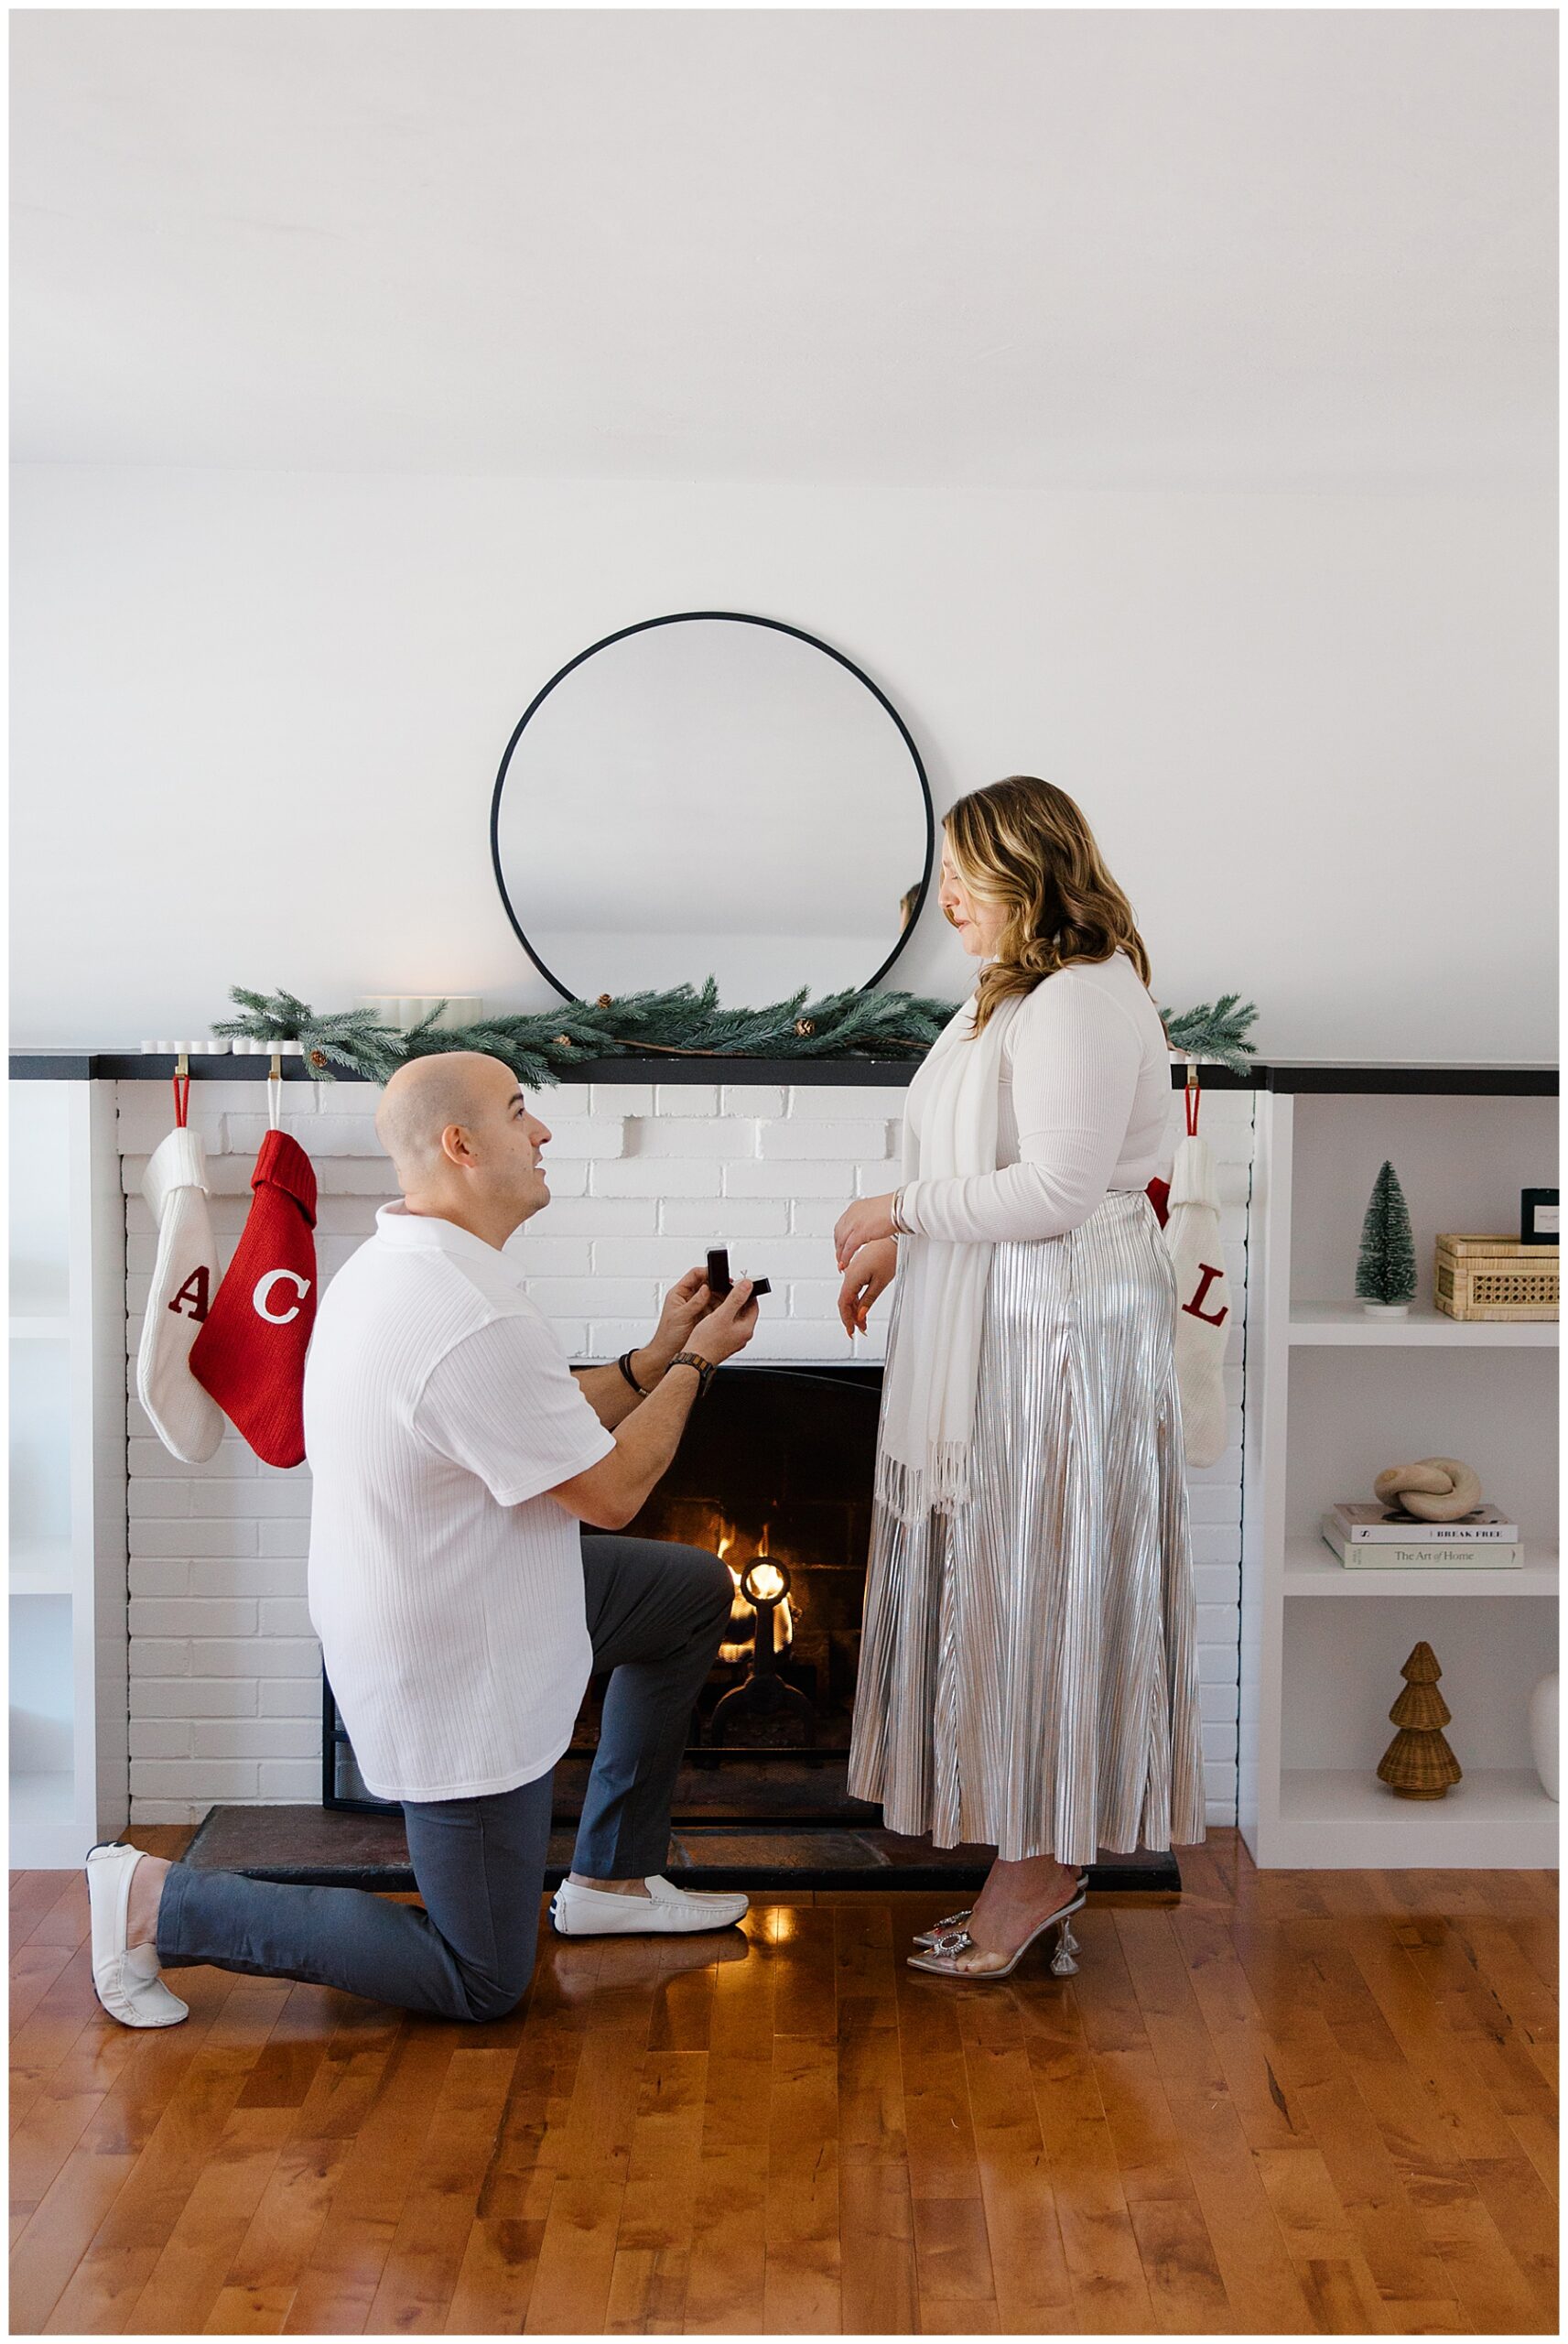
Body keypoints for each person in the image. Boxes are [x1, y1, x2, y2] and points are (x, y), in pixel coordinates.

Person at [86, 1052, 760, 2031]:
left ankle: (610, 1880)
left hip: (476, 1581)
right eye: (522, 1112)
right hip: (453, 1659)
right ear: (462, 1143)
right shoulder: (466, 1311)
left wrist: (654, 1353)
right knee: (480, 1978)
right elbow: (612, 1490)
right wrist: (701, 1361)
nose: (542, 1134)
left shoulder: (408, 1263)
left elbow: (538, 1418)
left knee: (688, 1592)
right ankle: (158, 1900)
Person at [834, 776, 1205, 1980]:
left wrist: (895, 1209)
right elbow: (985, 1166)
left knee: (1045, 1590)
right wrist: (903, 1245)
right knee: (1012, 1591)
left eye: (964, 871)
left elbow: (1051, 1193)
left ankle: (1041, 1866)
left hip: (1067, 1337)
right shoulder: (1011, 1000)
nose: (942, 895)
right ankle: (1030, 1858)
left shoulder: (1082, 1003)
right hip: (1014, 1323)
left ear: (1028, 871)